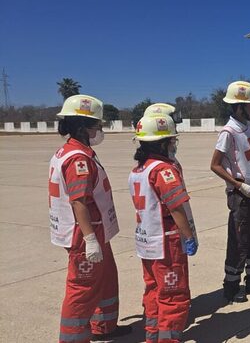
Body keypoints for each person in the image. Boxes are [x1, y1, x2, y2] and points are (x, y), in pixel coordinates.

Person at [49, 94, 131, 342]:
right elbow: (78, 201)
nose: (100, 130)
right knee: (82, 290)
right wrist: (90, 239)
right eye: (97, 126)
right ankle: (72, 338)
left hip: (95, 230)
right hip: (84, 234)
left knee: (106, 279)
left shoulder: (77, 150)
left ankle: (103, 327)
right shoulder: (78, 159)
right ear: (82, 127)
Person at [129, 114, 198, 343]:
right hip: (166, 242)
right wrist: (188, 237)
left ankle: (153, 336)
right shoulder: (163, 170)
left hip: (146, 241)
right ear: (162, 143)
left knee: (153, 291)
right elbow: (176, 207)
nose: (173, 145)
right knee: (173, 295)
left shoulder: (139, 170)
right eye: (171, 141)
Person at [210, 81, 250, 301]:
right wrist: (238, 184)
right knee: (238, 240)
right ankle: (232, 284)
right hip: (240, 195)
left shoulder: (247, 126)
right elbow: (215, 164)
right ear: (239, 107)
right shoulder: (228, 131)